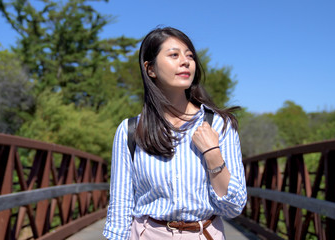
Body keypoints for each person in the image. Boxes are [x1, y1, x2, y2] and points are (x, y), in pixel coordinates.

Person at [103, 26, 247, 240]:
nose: (185, 61)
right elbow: (120, 206)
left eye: (190, 55)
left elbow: (233, 207)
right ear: (150, 69)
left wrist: (212, 153)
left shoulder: (220, 125)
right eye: (174, 55)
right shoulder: (130, 130)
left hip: (204, 234)